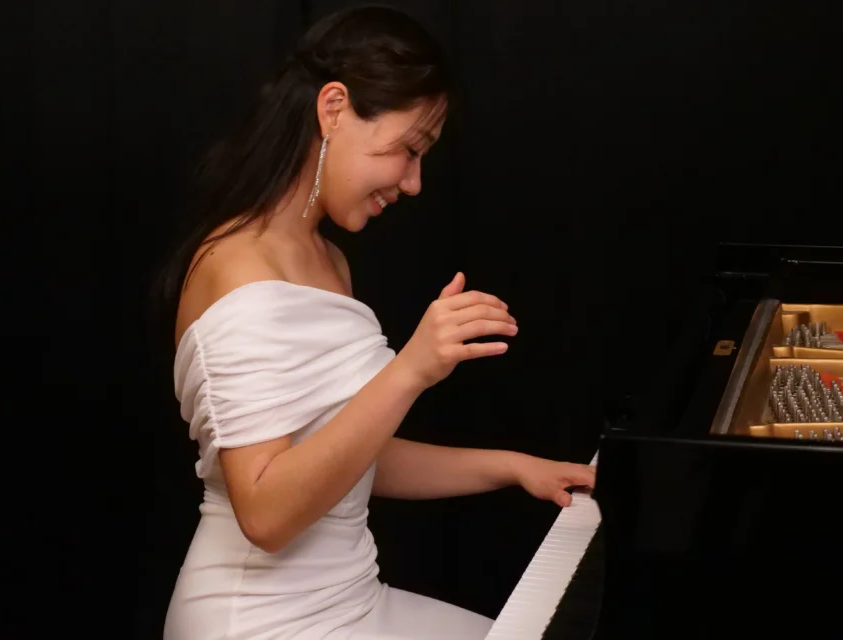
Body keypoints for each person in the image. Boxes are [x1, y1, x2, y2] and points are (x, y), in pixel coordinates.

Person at [157, 5, 595, 639]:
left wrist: (515, 466)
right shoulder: (236, 266)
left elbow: (348, 459)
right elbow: (268, 515)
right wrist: (412, 368)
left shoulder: (329, 260)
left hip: (352, 600)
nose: (414, 182)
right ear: (333, 109)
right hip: (257, 620)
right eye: (407, 150)